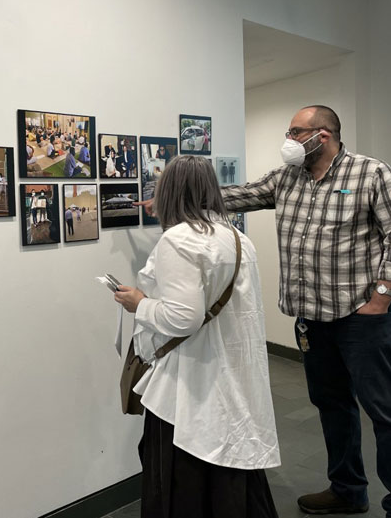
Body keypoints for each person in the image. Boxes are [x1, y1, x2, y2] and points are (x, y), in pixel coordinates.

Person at [216, 105, 391, 516]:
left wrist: (382, 296)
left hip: (359, 317)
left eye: (295, 132)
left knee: (384, 411)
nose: (288, 140)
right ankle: (348, 490)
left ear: (323, 135)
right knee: (333, 406)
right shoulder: (286, 179)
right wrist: (179, 192)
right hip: (311, 319)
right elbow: (239, 194)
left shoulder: (370, 173)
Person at [116, 155, 280, 517]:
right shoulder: (235, 236)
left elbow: (182, 317)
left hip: (188, 382)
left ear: (171, 190)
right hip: (230, 375)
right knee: (227, 474)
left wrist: (138, 303)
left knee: (183, 479)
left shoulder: (178, 240)